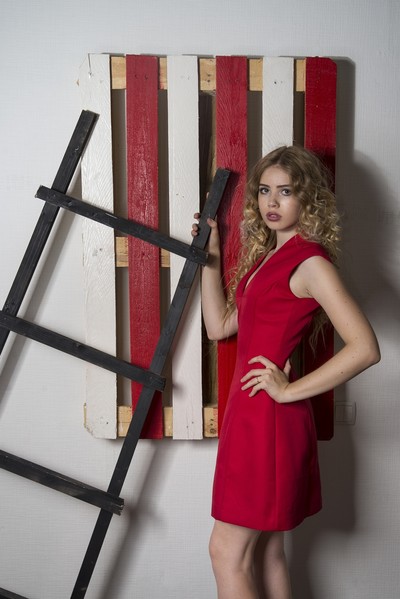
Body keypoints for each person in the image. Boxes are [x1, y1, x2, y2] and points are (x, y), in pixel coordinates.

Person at [191, 145, 380, 599]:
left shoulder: (310, 262)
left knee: (226, 552)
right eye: (264, 191)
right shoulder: (268, 260)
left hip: (268, 421)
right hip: (250, 416)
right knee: (267, 553)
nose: (272, 202)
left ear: (307, 198)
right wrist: (210, 256)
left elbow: (365, 348)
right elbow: (219, 327)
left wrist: (288, 391)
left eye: (286, 191)